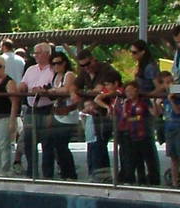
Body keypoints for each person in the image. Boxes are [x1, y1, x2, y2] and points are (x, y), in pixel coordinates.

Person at [75, 48, 120, 180]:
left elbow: (99, 91)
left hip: (104, 114)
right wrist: (76, 95)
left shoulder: (106, 70)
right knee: (92, 143)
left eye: (88, 64)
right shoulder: (84, 73)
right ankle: (94, 173)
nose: (86, 68)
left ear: (93, 59)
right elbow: (74, 86)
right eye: (82, 66)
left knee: (99, 143)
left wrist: (87, 97)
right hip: (91, 114)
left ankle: (103, 175)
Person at [40, 52, 81, 180]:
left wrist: (51, 91)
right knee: (51, 143)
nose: (56, 66)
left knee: (61, 144)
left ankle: (70, 173)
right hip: (57, 113)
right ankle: (51, 173)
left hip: (68, 114)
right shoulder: (55, 77)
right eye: (53, 64)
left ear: (64, 63)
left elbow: (66, 89)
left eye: (59, 63)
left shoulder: (69, 75)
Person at [19, 41, 56, 178]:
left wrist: (43, 91)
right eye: (34, 53)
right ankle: (32, 171)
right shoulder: (31, 69)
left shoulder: (53, 70)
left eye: (38, 53)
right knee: (29, 141)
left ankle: (48, 174)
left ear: (46, 54)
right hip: (31, 108)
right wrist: (21, 87)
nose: (35, 56)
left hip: (47, 108)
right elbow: (23, 83)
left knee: (48, 142)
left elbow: (54, 88)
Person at [113, 79, 160, 185]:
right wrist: (132, 115)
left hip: (144, 134)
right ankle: (139, 179)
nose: (129, 93)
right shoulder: (127, 103)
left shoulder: (144, 102)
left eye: (131, 90)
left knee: (149, 159)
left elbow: (152, 114)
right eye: (127, 91)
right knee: (136, 159)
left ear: (136, 90)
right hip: (132, 134)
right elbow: (125, 117)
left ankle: (154, 180)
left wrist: (154, 103)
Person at [158, 70, 180, 188]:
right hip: (170, 127)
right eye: (167, 82)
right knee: (173, 157)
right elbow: (162, 113)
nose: (170, 84)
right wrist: (157, 104)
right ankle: (174, 181)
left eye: (171, 81)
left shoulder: (178, 96)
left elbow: (178, 111)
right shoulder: (164, 97)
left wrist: (172, 100)